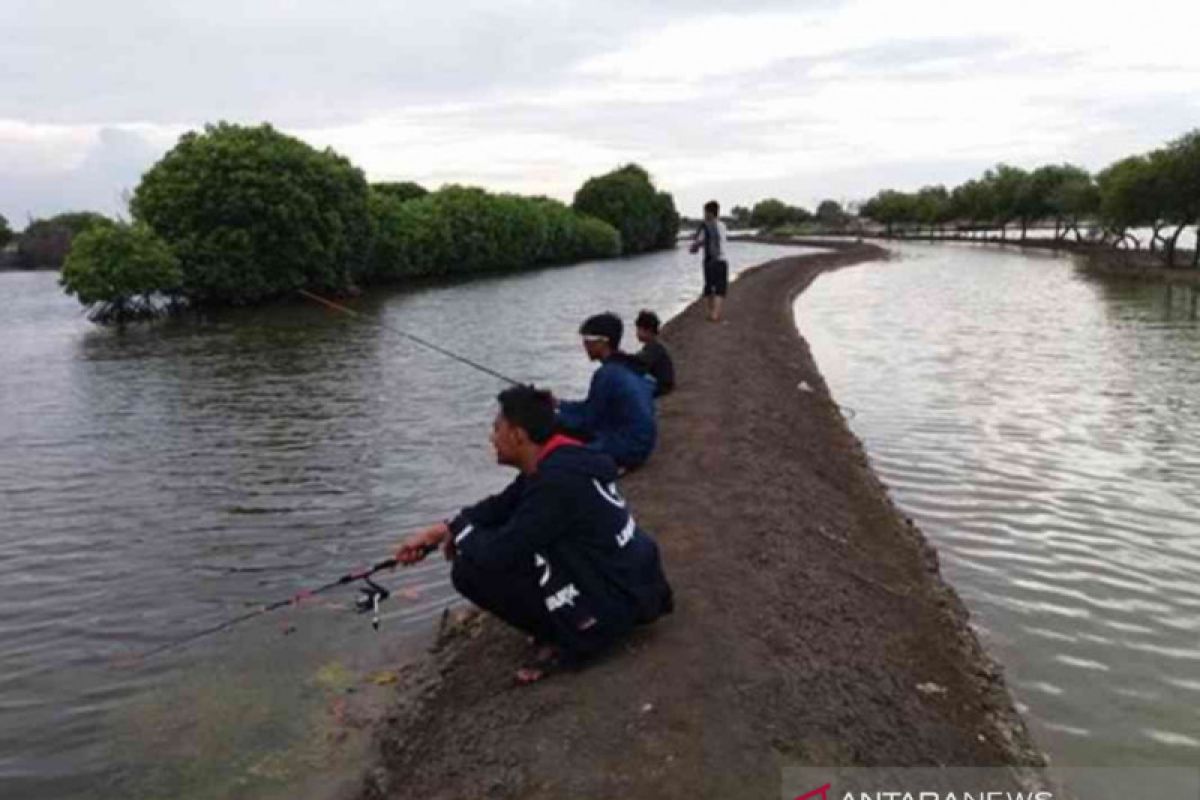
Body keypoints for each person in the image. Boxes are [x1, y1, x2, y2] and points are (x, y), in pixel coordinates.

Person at [395, 385, 673, 684]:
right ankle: (571, 621)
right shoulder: (562, 457)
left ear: (517, 435)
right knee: (488, 538)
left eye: (496, 429)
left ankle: (574, 638)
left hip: (619, 601)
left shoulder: (556, 481)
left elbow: (497, 553)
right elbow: (501, 506)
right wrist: (442, 530)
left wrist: (461, 534)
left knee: (469, 570)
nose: (492, 438)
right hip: (638, 584)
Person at [556, 312, 657, 470]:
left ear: (604, 342)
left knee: (558, 449)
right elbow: (592, 408)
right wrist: (558, 404)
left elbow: (588, 420)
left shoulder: (607, 374)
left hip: (628, 449)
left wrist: (553, 416)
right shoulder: (627, 366)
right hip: (642, 444)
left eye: (588, 340)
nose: (584, 345)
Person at [689, 200, 729, 322]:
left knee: (709, 288)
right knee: (720, 289)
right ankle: (715, 314)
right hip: (722, 260)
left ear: (709, 212)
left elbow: (697, 244)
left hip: (709, 261)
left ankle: (712, 312)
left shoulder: (705, 226)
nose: (704, 214)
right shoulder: (723, 226)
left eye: (705, 212)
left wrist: (693, 248)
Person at [634, 309, 675, 397]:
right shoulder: (653, 346)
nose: (636, 333)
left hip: (662, 385)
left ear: (648, 331)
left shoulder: (653, 348)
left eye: (638, 329)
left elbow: (642, 365)